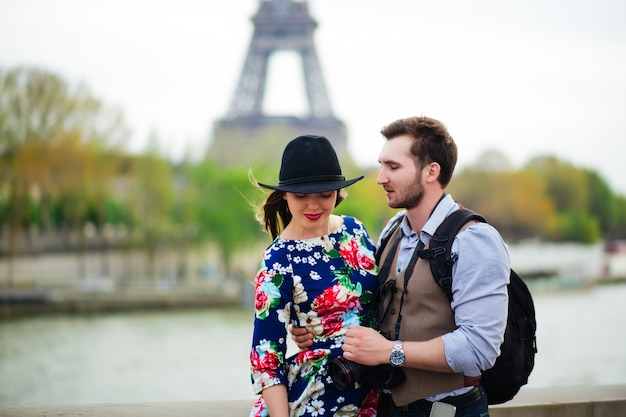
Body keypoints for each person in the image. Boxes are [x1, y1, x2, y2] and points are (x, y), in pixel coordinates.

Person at [292, 117, 510, 417]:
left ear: (432, 171)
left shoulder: (474, 240)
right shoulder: (392, 231)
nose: (381, 177)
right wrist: (314, 328)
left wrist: (388, 352)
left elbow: (479, 349)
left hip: (447, 411)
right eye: (381, 165)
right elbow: (366, 307)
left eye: (393, 167)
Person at [249, 134, 380, 417]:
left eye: (324, 194)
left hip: (377, 387)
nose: (313, 206)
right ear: (284, 194)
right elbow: (265, 358)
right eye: (301, 195)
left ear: (338, 192)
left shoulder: (355, 230)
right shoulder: (277, 260)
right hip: (319, 398)